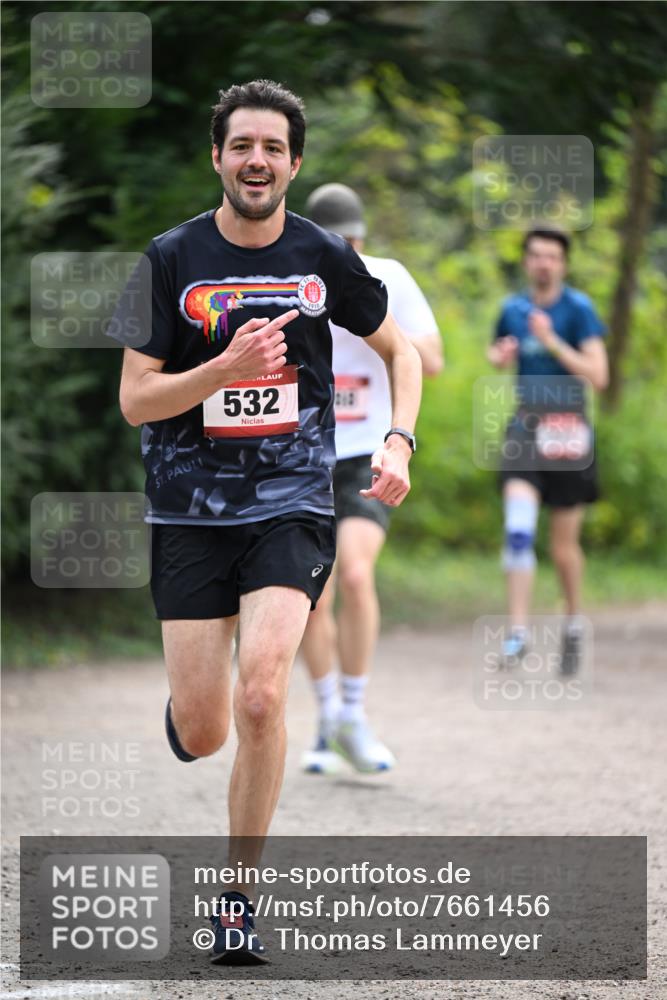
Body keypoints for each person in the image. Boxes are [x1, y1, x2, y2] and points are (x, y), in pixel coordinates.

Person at [116, 80, 422, 964]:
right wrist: (222, 369)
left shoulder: (323, 255)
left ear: (293, 162)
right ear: (217, 156)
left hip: (292, 498)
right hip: (188, 510)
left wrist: (397, 440)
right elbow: (137, 400)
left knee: (262, 693)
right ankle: (186, 711)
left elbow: (399, 351)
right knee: (208, 725)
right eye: (241, 145)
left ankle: (237, 903)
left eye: (273, 148)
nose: (257, 160)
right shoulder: (169, 258)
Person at [299, 183, 442, 774]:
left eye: (352, 244)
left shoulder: (386, 277)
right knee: (313, 594)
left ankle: (353, 713)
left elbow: (429, 359)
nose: (347, 253)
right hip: (305, 452)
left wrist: (370, 322)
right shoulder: (291, 279)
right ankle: (330, 716)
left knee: (354, 574)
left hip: (369, 451)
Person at [487, 226, 608, 674]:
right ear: (525, 261)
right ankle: (518, 634)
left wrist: (554, 340)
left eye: (552, 256)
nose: (543, 263)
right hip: (524, 428)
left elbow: (599, 375)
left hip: (569, 434)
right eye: (536, 255)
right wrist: (499, 355)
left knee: (562, 547)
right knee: (519, 531)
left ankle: (573, 623)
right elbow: (497, 349)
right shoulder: (512, 308)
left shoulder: (579, 309)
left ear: (563, 263)